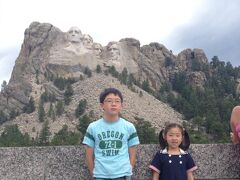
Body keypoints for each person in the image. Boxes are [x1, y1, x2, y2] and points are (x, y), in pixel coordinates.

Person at [82, 88, 140, 180]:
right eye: (109, 101)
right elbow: (88, 154)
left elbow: (133, 152)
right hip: (100, 175)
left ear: (121, 105)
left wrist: (129, 170)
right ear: (102, 105)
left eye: (117, 101)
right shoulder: (93, 127)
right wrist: (93, 172)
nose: (113, 104)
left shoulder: (129, 127)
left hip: (122, 175)